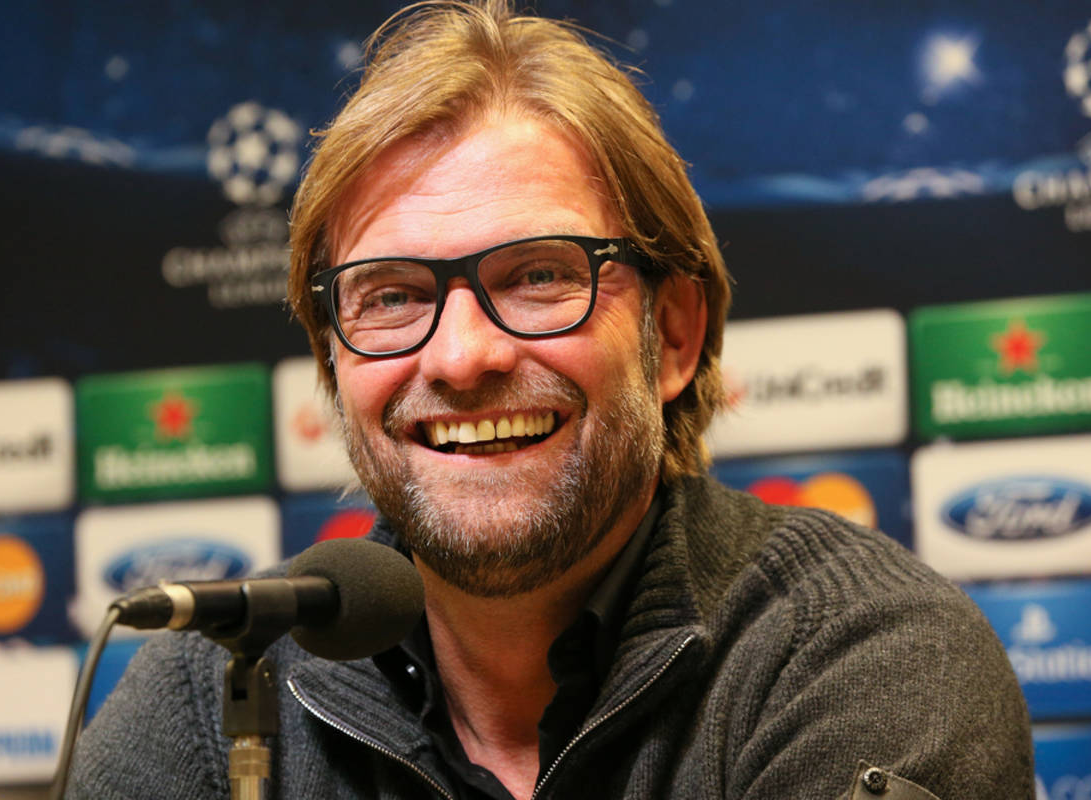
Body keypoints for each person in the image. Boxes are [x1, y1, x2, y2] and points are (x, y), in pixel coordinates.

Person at [69, 2, 1034, 798]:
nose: (461, 356)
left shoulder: (856, 656)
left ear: (674, 335)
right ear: (332, 362)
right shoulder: (219, 691)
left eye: (538, 276)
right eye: (391, 296)